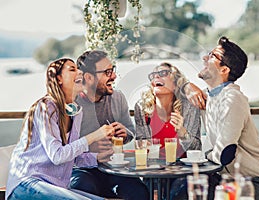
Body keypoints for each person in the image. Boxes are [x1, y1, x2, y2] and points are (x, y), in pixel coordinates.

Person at [5, 58, 114, 200]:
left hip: (54, 187)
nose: (80, 72)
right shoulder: (45, 107)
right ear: (59, 79)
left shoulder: (75, 112)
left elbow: (71, 157)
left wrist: (97, 158)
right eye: (72, 69)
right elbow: (58, 156)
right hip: (26, 185)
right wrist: (95, 135)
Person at [198, 36, 259, 200]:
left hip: (255, 184)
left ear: (224, 70)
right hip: (228, 180)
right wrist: (186, 87)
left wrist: (206, 155)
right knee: (181, 189)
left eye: (213, 55)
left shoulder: (232, 99)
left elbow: (225, 154)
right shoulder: (211, 96)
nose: (204, 58)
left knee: (193, 193)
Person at [69, 50, 149, 200]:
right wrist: (88, 147)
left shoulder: (117, 97)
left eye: (113, 70)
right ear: (88, 77)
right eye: (107, 72)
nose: (113, 76)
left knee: (139, 191)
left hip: (114, 167)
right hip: (81, 169)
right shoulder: (72, 104)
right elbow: (62, 148)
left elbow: (130, 131)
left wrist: (125, 133)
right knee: (83, 188)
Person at [134, 62, 202, 200]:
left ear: (176, 84)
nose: (156, 77)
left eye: (163, 73)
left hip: (182, 170)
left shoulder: (188, 107)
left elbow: (197, 148)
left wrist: (182, 132)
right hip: (153, 171)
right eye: (153, 75)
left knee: (177, 193)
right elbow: (140, 143)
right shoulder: (142, 108)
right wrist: (141, 144)